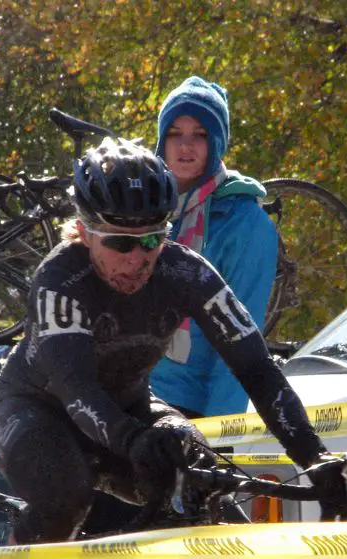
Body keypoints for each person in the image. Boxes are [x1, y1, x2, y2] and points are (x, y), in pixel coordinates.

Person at [0, 136, 347, 559]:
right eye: (122, 242)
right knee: (66, 493)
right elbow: (76, 389)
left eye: (154, 239)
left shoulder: (187, 271)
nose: (138, 258)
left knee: (199, 482)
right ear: (83, 231)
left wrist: (314, 456)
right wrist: (136, 441)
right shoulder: (60, 280)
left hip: (128, 407)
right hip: (36, 410)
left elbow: (259, 370)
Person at [148, 75, 278, 419]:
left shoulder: (246, 223)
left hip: (189, 406)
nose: (185, 146)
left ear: (217, 141)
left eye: (200, 134)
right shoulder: (141, 205)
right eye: (175, 133)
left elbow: (240, 340)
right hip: (128, 398)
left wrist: (220, 436)